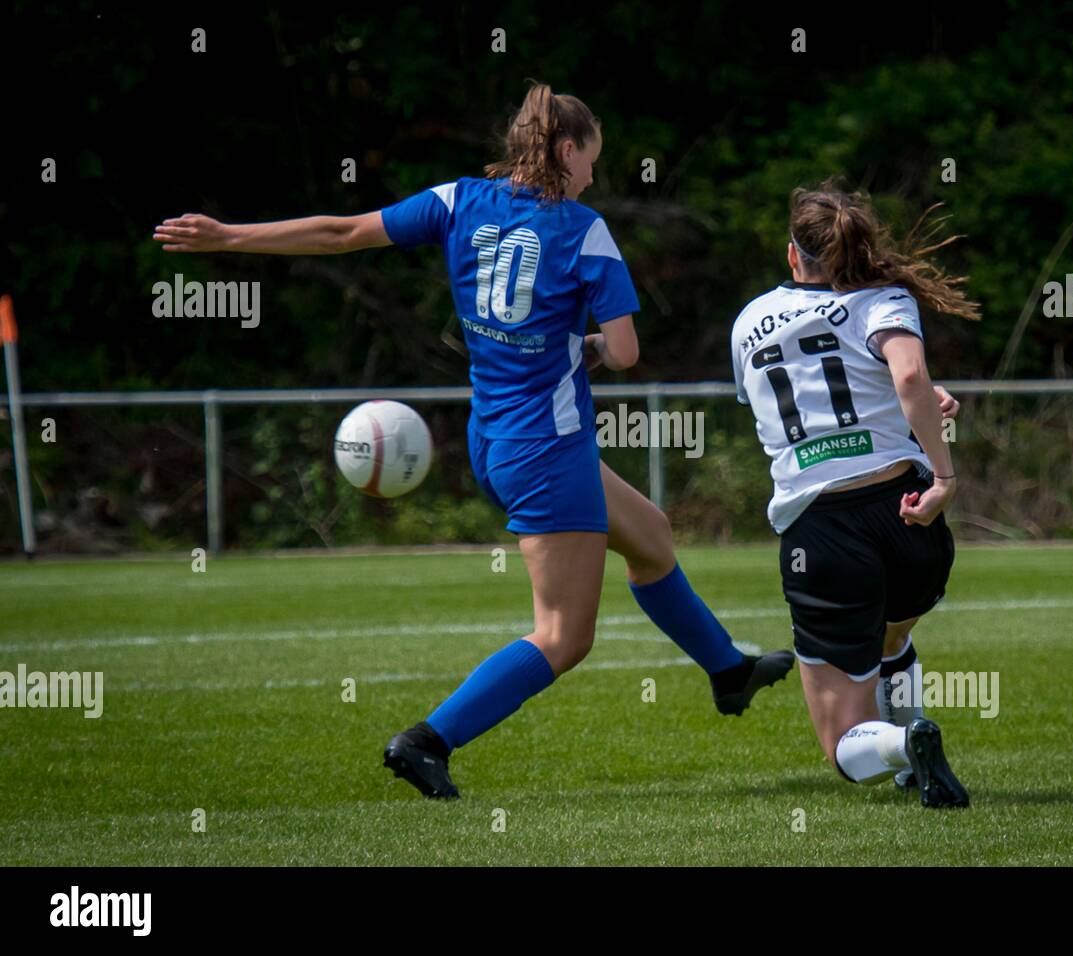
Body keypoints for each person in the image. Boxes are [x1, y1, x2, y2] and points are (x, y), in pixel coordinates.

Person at [153, 82, 793, 799]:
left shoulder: (457, 201)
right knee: (563, 636)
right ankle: (426, 741)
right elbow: (627, 351)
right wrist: (584, 346)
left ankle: (728, 671)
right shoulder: (583, 229)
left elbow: (341, 233)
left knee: (649, 533)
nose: (593, 177)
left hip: (494, 439)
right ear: (566, 149)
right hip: (547, 451)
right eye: (592, 161)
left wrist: (228, 237)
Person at [729, 180, 979, 807]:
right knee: (894, 638)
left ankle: (904, 745)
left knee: (843, 748)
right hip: (907, 514)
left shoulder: (750, 321)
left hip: (822, 532)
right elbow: (908, 377)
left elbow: (817, 399)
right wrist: (943, 473)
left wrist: (910, 399)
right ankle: (910, 764)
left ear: (793, 255)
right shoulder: (882, 300)